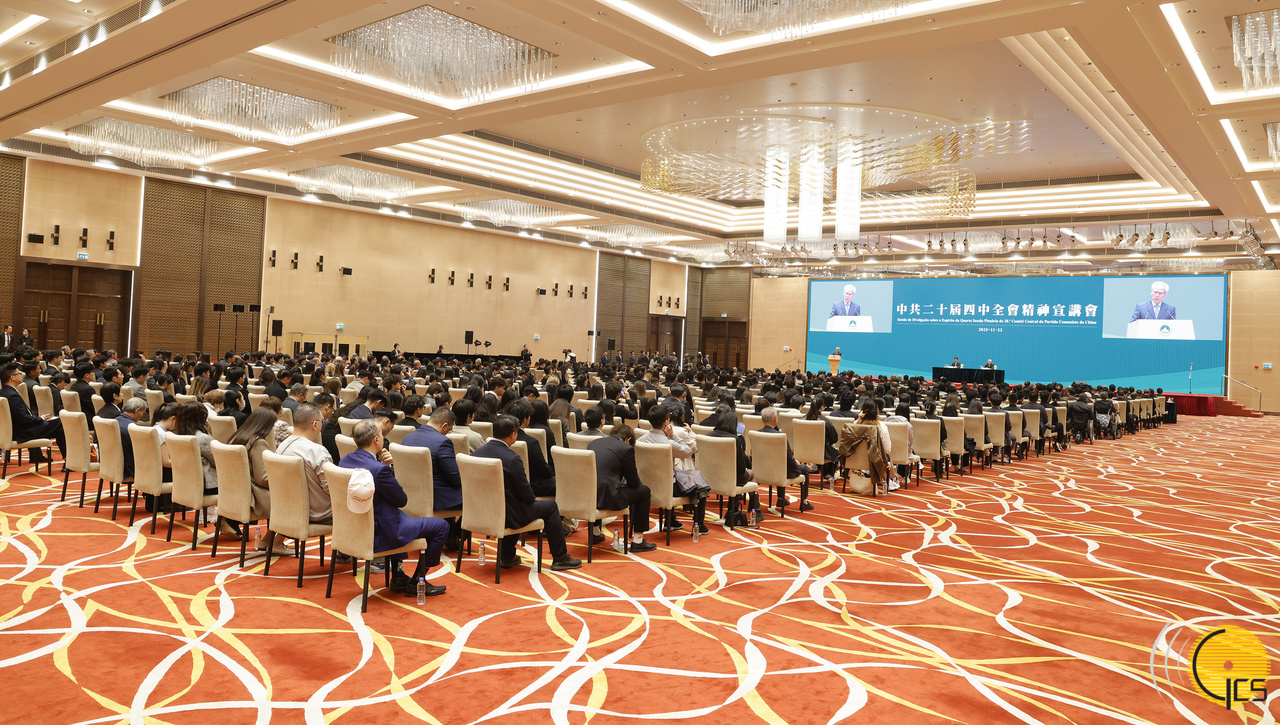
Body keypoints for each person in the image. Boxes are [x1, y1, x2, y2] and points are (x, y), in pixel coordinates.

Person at [339, 419, 449, 597]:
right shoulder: (378, 470)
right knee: (441, 526)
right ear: (376, 440)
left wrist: (384, 466)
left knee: (402, 517)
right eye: (381, 435)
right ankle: (418, 581)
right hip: (381, 532)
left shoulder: (344, 461)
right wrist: (387, 468)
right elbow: (401, 500)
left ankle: (398, 576)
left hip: (354, 529)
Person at [472, 414, 582, 571]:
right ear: (513, 434)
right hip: (508, 515)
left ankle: (507, 556)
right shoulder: (512, 458)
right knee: (550, 507)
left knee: (513, 503)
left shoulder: (477, 454)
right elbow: (527, 495)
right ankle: (560, 558)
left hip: (481, 511)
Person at [586, 425, 657, 552]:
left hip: (589, 495)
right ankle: (638, 540)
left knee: (600, 485)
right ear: (628, 439)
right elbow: (634, 483)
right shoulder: (626, 448)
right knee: (644, 492)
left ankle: (595, 533)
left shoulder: (593, 443)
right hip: (609, 498)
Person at [402, 407, 463, 547]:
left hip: (410, 495)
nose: (448, 433)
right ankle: (455, 533)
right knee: (478, 497)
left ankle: (449, 533)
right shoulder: (442, 442)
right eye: (449, 430)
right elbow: (455, 479)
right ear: (444, 425)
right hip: (436, 498)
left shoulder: (408, 437)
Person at [638, 405, 705, 533]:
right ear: (666, 422)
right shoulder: (669, 444)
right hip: (668, 488)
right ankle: (699, 526)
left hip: (646, 486)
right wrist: (673, 436)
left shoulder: (640, 440)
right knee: (701, 485)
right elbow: (689, 451)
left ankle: (671, 521)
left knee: (674, 476)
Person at [0, 363, 65, 464]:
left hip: (14, 430)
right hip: (22, 432)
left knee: (56, 424)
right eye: (19, 374)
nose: (22, 376)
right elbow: (24, 419)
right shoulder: (12, 395)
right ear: (12, 377)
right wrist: (41, 418)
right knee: (60, 423)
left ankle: (36, 456)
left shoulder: (4, 392)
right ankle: (68, 460)